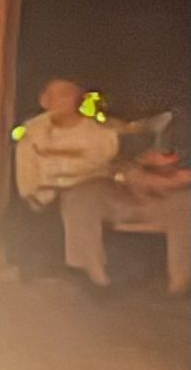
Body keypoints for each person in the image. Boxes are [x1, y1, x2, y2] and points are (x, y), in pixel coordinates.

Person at [14, 78, 121, 275]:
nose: (63, 100)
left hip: (85, 189)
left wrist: (64, 167)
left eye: (69, 94)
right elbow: (26, 166)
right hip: (43, 195)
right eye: (56, 95)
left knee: (81, 202)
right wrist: (30, 193)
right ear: (44, 100)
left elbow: (98, 161)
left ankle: (87, 272)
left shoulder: (98, 132)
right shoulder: (33, 131)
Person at [60, 141, 189, 297]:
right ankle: (88, 273)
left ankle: (180, 282)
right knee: (83, 196)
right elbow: (123, 164)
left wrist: (173, 176)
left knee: (184, 205)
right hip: (121, 188)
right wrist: (136, 172)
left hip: (171, 199)